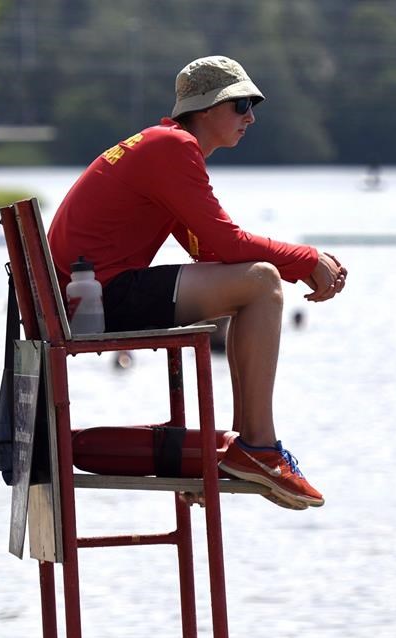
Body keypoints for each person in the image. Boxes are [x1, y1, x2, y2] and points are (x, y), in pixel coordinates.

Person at [47, 55, 347, 510]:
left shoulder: (163, 145)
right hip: (95, 299)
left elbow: (209, 250)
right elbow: (226, 245)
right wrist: (306, 257)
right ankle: (259, 449)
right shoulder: (172, 148)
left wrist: (291, 262)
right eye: (242, 105)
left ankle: (249, 450)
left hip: (84, 295)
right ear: (206, 109)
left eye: (254, 105)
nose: (251, 117)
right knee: (263, 282)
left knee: (257, 283)